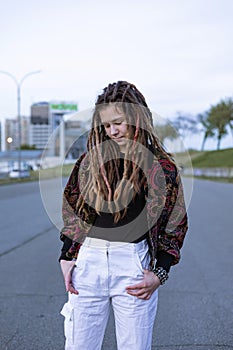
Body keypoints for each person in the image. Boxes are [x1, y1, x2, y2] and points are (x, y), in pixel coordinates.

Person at [59, 81, 188, 350]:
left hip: (133, 267)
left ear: (136, 118)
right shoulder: (89, 162)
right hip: (88, 264)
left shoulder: (161, 168)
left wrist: (160, 272)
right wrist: (67, 255)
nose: (113, 131)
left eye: (118, 122)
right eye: (106, 125)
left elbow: (175, 224)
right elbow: (73, 209)